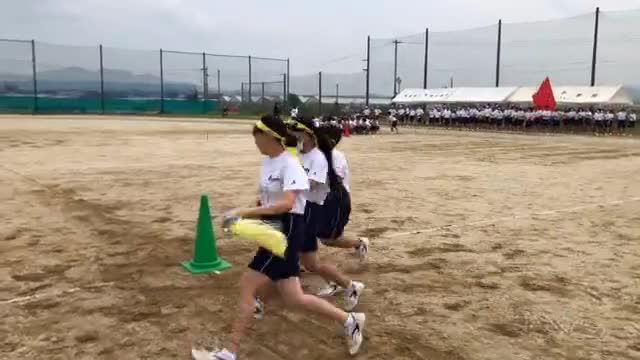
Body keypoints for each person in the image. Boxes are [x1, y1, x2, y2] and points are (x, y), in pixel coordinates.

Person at [204, 115, 365, 360]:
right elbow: (268, 200)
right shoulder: (268, 162)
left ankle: (230, 352)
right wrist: (252, 213)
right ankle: (350, 320)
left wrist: (243, 213)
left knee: (248, 286)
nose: (256, 143)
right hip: (274, 229)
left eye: (258, 139)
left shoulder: (291, 165)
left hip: (285, 232)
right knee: (294, 297)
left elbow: (287, 204)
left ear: (271, 137)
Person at [282, 118, 365, 310]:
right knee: (304, 259)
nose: (293, 137)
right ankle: (343, 284)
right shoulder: (300, 154)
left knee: (309, 261)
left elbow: (310, 184)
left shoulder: (319, 157)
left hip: (310, 211)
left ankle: (349, 285)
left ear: (308, 135)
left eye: (296, 134)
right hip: (300, 209)